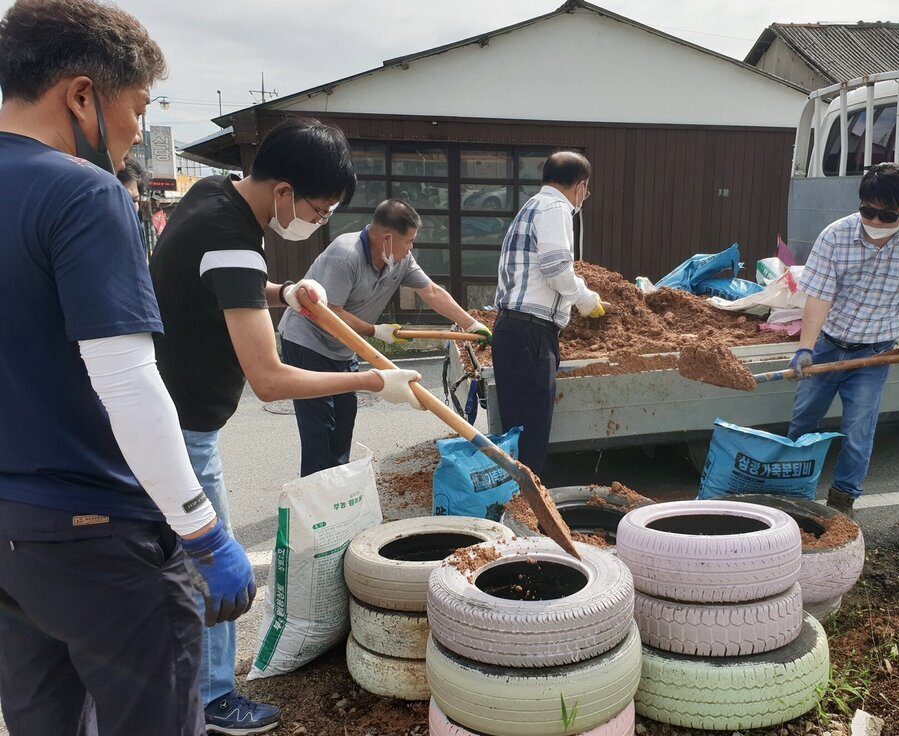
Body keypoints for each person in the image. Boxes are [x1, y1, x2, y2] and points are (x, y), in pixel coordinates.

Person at [0, 2, 256, 735]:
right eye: (138, 108)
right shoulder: (81, 193)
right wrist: (203, 531)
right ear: (82, 95)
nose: (139, 131)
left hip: (12, 539)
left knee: (43, 720)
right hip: (98, 533)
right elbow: (128, 382)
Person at [149, 117, 423, 734]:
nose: (319, 221)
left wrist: (282, 291)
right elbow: (269, 380)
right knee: (214, 576)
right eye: (318, 207)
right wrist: (370, 381)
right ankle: (215, 699)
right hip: (185, 431)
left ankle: (186, 689)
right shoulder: (232, 235)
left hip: (175, 420)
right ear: (281, 191)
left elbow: (221, 287)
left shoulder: (210, 198)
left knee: (176, 570)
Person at [279, 198, 492, 475]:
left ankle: (336, 489)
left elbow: (432, 292)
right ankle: (316, 503)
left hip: (343, 348)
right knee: (319, 429)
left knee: (343, 421)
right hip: (307, 344)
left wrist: (470, 325)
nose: (411, 247)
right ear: (388, 239)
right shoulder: (345, 255)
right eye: (410, 241)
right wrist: (375, 331)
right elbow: (329, 313)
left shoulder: (399, 259)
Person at [787, 162, 899, 516]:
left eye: (886, 215)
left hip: (874, 354)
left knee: (859, 432)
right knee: (802, 425)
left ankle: (842, 502)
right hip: (829, 346)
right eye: (867, 211)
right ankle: (792, 493)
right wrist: (806, 347)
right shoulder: (835, 235)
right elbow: (820, 296)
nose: (874, 222)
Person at [491, 151, 606, 472]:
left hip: (514, 331)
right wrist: (586, 300)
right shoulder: (556, 208)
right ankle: (528, 511)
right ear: (581, 186)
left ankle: (515, 506)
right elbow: (556, 267)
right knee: (531, 437)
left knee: (517, 432)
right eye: (587, 190)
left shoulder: (531, 207)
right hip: (531, 335)